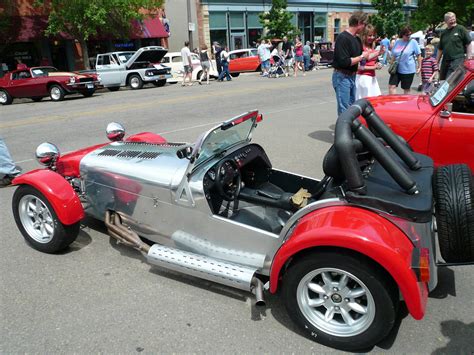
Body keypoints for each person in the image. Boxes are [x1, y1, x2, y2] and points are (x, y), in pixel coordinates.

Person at [332, 11, 370, 115]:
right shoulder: (343, 38)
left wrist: (376, 53)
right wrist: (362, 56)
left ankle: (351, 129)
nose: (365, 27)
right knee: (344, 108)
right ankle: (344, 130)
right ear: (359, 22)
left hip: (352, 76)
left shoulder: (357, 39)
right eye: (364, 24)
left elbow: (361, 57)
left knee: (352, 106)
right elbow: (344, 62)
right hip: (342, 76)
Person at [436, 12, 472, 80]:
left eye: (454, 18)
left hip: (457, 59)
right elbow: (440, 49)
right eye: (450, 19)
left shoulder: (461, 29)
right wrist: (436, 62)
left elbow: (469, 43)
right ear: (445, 21)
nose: (453, 21)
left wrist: (468, 57)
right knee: (443, 80)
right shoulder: (444, 33)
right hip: (445, 60)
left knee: (451, 80)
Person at [388, 26, 421, 95]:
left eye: (410, 34)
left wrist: (419, 67)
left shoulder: (413, 42)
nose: (409, 36)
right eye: (407, 35)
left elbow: (418, 55)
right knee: (391, 86)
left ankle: (406, 104)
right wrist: (391, 64)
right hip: (396, 69)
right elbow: (394, 54)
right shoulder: (397, 42)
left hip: (408, 69)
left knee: (406, 89)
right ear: (402, 34)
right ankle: (393, 103)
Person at [355, 24, 382, 99]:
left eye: (373, 35)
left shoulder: (371, 46)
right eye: (369, 35)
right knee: (365, 102)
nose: (372, 37)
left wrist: (377, 64)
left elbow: (373, 61)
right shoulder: (361, 47)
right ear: (364, 35)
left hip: (372, 78)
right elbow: (358, 67)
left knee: (374, 102)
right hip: (363, 78)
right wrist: (373, 67)